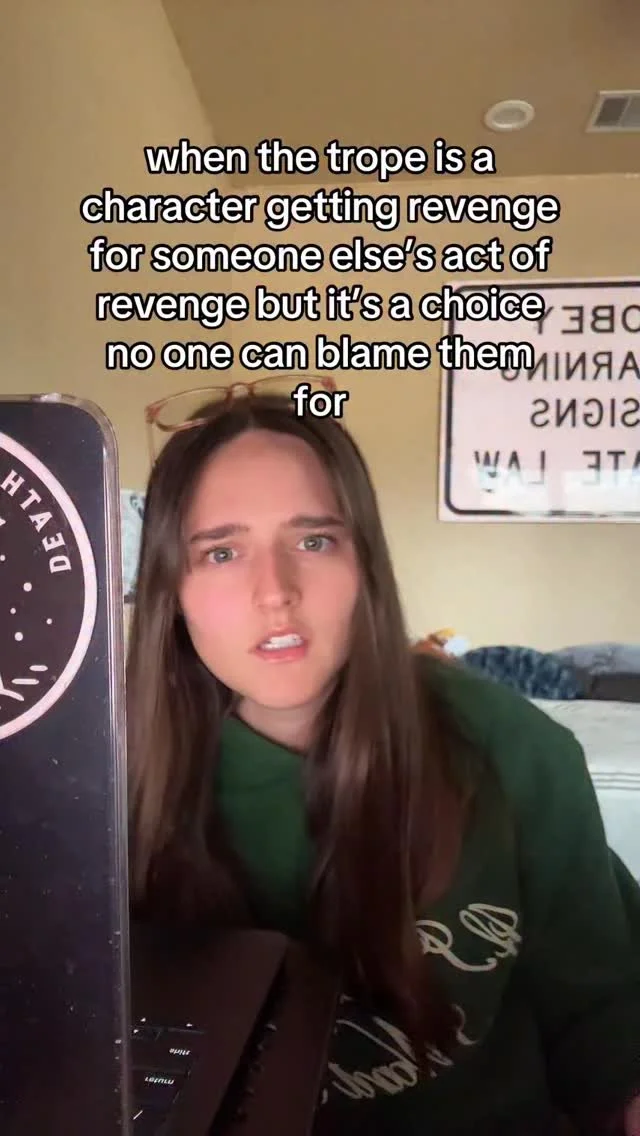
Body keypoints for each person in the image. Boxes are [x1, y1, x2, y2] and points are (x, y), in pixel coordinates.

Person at [127, 379, 640, 1135]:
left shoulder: (513, 749)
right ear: (171, 588)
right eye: (223, 552)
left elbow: (609, 1045)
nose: (276, 592)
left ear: (364, 562)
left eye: (313, 541)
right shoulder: (101, 783)